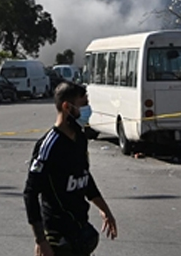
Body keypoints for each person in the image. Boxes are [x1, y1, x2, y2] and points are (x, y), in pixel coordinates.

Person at [23, 82, 118, 256]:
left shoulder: (80, 139)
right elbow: (30, 194)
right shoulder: (49, 146)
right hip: (57, 236)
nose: (88, 111)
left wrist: (105, 209)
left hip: (80, 229)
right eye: (84, 105)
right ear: (67, 107)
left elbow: (84, 177)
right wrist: (41, 241)